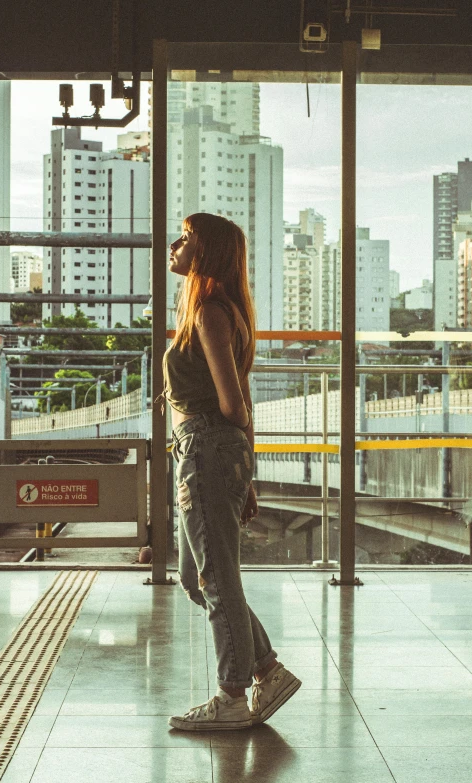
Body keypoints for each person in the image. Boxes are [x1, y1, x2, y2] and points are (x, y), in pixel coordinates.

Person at [158, 213, 301, 731]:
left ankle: (232, 695)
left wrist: (235, 460)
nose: (176, 244)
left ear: (208, 252)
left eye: (187, 237)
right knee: (198, 580)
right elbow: (242, 408)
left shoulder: (211, 313)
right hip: (212, 451)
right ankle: (267, 670)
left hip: (206, 449)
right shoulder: (219, 310)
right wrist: (250, 471)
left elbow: (232, 403)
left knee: (215, 578)